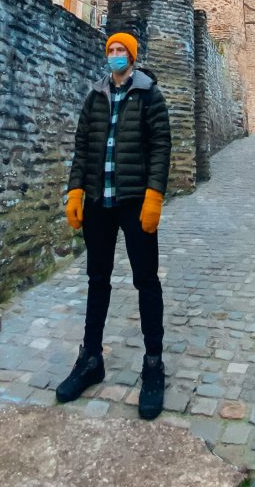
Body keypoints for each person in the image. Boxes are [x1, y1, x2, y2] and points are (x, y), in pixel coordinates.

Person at [55, 31, 172, 420]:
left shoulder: (148, 94)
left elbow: (160, 147)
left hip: (135, 203)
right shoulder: (95, 95)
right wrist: (75, 192)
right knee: (97, 279)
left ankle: (153, 364)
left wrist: (155, 196)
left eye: (121, 50)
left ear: (133, 56)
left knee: (146, 281)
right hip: (97, 203)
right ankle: (90, 358)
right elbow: (81, 146)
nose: (115, 55)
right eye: (111, 50)